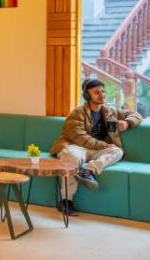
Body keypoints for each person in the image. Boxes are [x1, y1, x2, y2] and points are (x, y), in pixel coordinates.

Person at [52, 78, 143, 215]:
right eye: (96, 92)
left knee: (117, 151)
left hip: (97, 151)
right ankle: (66, 201)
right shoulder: (77, 113)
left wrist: (127, 123)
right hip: (76, 147)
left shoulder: (110, 111)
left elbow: (136, 115)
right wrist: (103, 145)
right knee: (71, 157)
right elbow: (80, 137)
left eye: (103, 91)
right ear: (87, 96)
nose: (102, 95)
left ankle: (88, 171)